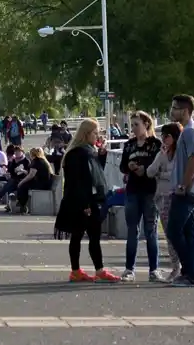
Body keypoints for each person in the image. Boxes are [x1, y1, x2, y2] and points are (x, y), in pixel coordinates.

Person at [53, 118, 119, 282]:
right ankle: (78, 270)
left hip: (89, 199)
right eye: (95, 133)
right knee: (78, 235)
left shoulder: (88, 151)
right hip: (81, 201)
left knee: (93, 235)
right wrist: (85, 204)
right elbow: (78, 181)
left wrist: (101, 156)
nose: (97, 136)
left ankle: (97, 270)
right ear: (86, 133)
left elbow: (96, 174)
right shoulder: (77, 154)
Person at [166, 94, 194, 287]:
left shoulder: (191, 132)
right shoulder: (189, 131)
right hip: (188, 190)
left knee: (174, 230)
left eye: (175, 107)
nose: (172, 110)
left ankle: (189, 271)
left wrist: (183, 185)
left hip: (187, 191)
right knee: (190, 232)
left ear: (185, 111)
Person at [119, 110, 165, 282]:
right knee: (132, 230)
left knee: (150, 229)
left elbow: (159, 164)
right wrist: (129, 166)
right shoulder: (129, 145)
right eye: (132, 125)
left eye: (136, 125)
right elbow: (122, 166)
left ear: (146, 124)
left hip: (150, 191)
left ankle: (154, 269)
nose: (134, 128)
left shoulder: (156, 144)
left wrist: (144, 169)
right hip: (132, 190)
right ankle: (129, 269)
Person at [147, 122, 183, 281]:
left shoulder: (181, 153)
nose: (164, 139)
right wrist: (160, 158)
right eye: (162, 136)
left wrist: (164, 174)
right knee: (169, 234)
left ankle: (184, 267)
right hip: (163, 197)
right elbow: (150, 172)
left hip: (178, 196)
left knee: (180, 233)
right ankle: (176, 267)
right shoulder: (162, 153)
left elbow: (179, 174)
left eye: (167, 136)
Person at [15, 148, 53, 213]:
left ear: (32, 154)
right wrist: (24, 172)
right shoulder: (42, 160)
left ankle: (22, 205)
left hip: (41, 185)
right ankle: (21, 203)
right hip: (45, 184)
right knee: (24, 184)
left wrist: (21, 182)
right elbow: (31, 173)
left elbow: (31, 175)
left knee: (23, 185)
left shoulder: (36, 161)